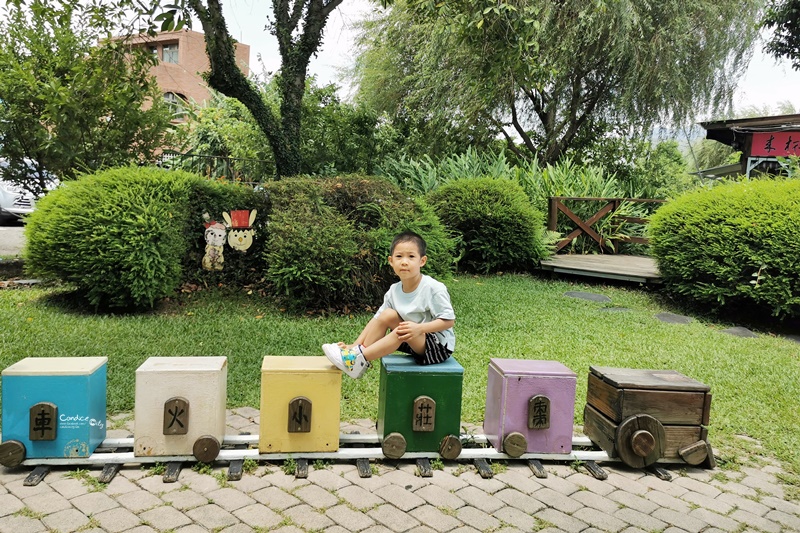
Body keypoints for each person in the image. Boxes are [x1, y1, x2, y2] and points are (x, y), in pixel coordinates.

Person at [323, 231, 455, 379]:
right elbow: (377, 319)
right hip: (411, 338)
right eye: (399, 256)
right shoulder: (394, 290)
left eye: (411, 256)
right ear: (391, 261)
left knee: (402, 330)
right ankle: (356, 354)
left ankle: (357, 360)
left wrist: (419, 328)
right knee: (387, 314)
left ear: (422, 261)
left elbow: (448, 321)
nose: (404, 262)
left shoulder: (433, 288)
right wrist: (353, 345)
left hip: (438, 347)